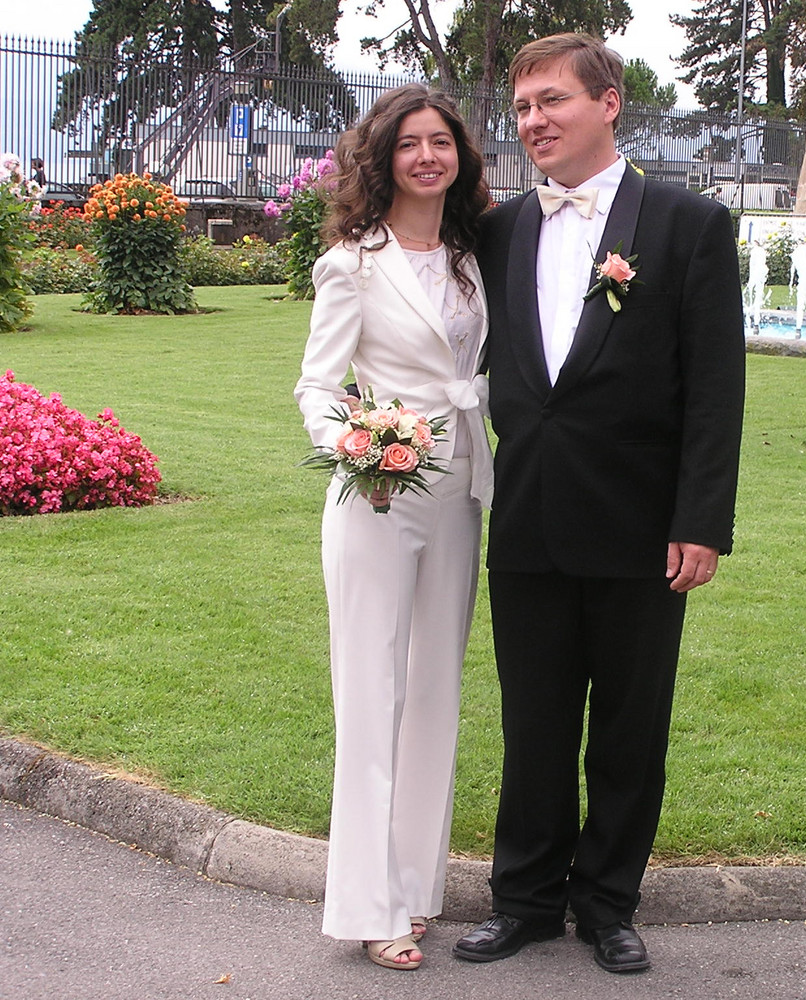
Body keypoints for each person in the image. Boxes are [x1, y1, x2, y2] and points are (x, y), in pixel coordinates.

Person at [452, 33, 745, 974]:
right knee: (532, 725)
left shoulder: (688, 224)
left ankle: (609, 902)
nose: (533, 120)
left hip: (640, 526)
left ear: (609, 103)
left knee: (628, 727)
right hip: (527, 517)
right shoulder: (499, 231)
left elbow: (715, 389)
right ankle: (525, 900)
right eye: (522, 107)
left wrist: (700, 520)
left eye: (553, 100)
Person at [294, 83, 492, 971]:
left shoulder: (470, 255)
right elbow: (317, 384)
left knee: (435, 690)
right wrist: (355, 445)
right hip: (377, 494)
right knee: (372, 692)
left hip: (460, 492)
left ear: (459, 156)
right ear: (383, 159)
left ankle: (413, 885)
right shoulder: (352, 264)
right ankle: (369, 905)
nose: (425, 156)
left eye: (439, 142)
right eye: (408, 143)